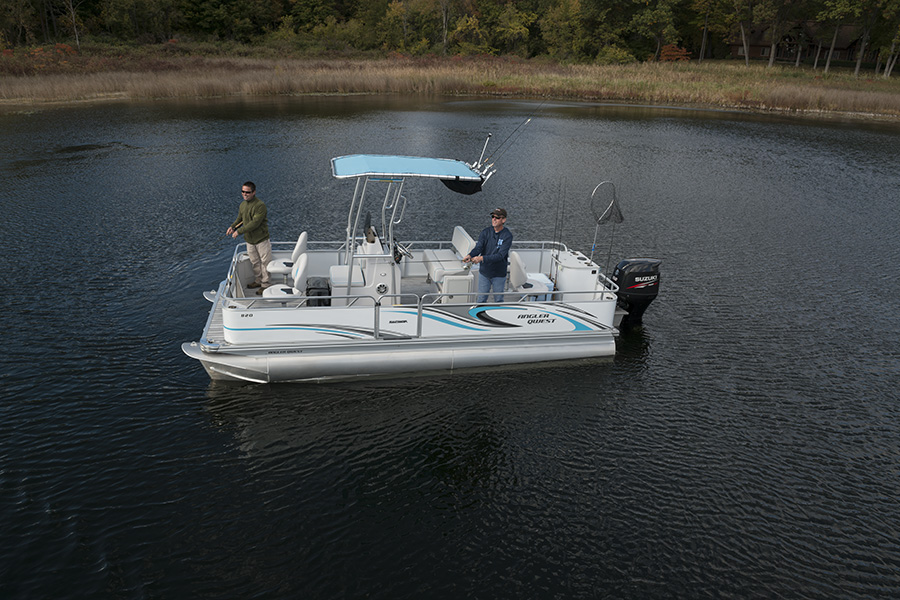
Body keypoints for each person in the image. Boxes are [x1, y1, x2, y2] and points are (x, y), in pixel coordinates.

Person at [227, 181, 271, 295]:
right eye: (243, 191)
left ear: (254, 192)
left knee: (265, 263)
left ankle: (265, 285)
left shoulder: (260, 205)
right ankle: (258, 281)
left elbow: (254, 223)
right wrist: (232, 227)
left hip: (261, 239)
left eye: (247, 192)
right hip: (250, 240)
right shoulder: (242, 205)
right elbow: (240, 219)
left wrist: (239, 231)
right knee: (254, 262)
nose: (244, 194)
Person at [463, 208, 513, 303]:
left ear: (503, 220)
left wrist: (481, 258)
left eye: (497, 217)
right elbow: (479, 247)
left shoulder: (507, 236)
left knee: (498, 300)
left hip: (499, 274)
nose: (494, 219)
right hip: (485, 273)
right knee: (481, 299)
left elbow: (500, 256)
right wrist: (470, 255)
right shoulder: (485, 232)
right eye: (493, 217)